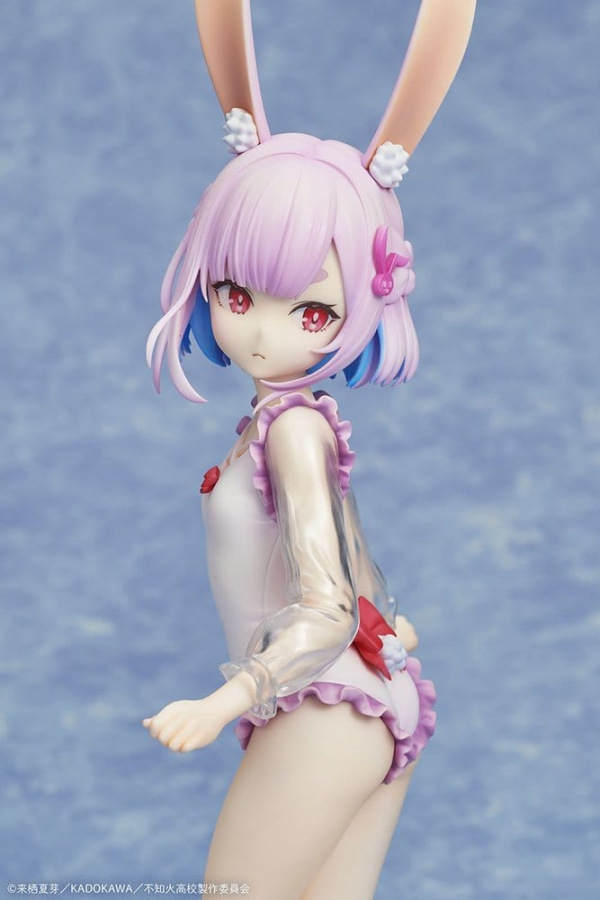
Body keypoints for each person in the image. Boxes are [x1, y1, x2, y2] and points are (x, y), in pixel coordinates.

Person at [143, 3, 476, 897]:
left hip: (326, 707)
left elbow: (325, 607)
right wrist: (390, 629)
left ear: (364, 305)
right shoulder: (289, 424)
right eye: (236, 293)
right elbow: (347, 573)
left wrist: (222, 701)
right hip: (359, 698)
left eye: (314, 310)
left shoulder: (295, 427)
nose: (263, 331)